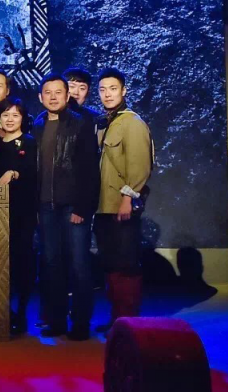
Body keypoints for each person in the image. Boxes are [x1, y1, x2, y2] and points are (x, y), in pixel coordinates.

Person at [33, 73, 100, 341]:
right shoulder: (37, 125)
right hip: (45, 206)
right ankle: (57, 321)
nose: (53, 97)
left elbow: (90, 170)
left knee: (79, 264)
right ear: (40, 97)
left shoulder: (81, 124)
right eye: (47, 92)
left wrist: (82, 207)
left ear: (67, 95)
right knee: (51, 264)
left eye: (58, 92)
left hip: (73, 206)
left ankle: (81, 323)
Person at [94, 67, 153, 331]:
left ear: (124, 90)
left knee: (126, 262)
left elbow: (140, 165)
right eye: (103, 90)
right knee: (111, 262)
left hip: (122, 205)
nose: (107, 94)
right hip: (104, 205)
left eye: (113, 89)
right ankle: (117, 319)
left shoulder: (133, 122)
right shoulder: (107, 123)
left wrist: (128, 198)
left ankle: (128, 322)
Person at [0, 98, 38, 335]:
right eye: (5, 115)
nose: (9, 119)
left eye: (15, 115)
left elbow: (32, 172)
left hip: (22, 210)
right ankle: (3, 311)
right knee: (0, 263)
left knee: (21, 260)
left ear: (23, 119)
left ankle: (22, 311)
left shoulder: (28, 141)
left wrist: (14, 173)